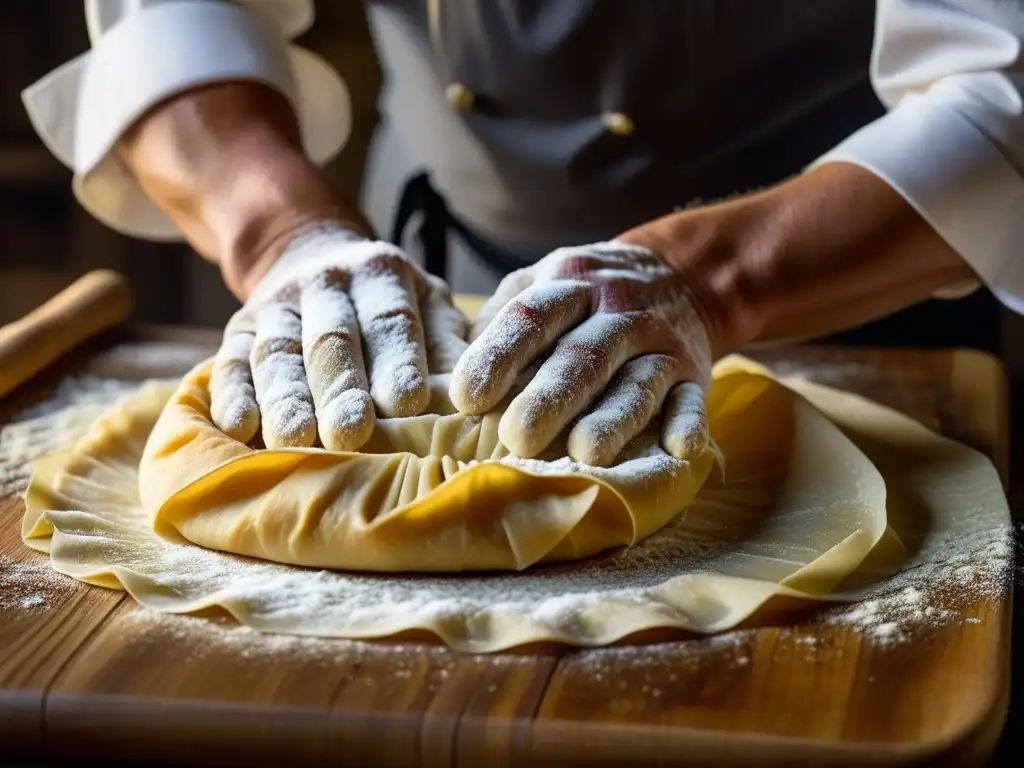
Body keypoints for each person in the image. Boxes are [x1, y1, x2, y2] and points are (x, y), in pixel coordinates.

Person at [22, 0, 1024, 466]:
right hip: (413, 292)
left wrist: (703, 283)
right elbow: (174, 21)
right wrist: (287, 241)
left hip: (852, 292)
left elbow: (1004, 83)